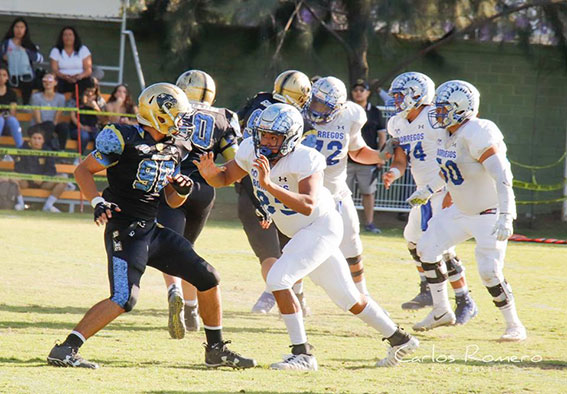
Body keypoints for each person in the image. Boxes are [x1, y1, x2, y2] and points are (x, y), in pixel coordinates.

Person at [46, 82, 256, 369]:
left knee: (208, 278)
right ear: (158, 115)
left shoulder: (178, 146)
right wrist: (97, 201)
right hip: (125, 229)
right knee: (124, 298)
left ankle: (215, 349)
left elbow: (171, 201)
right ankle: (66, 349)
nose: (183, 123)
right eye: (178, 115)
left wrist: (181, 189)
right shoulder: (123, 136)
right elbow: (83, 169)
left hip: (152, 228)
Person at [194, 103, 419, 370]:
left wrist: (268, 185)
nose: (266, 141)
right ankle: (400, 339)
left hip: (320, 226)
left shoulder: (305, 158)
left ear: (289, 138)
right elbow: (225, 176)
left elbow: (307, 204)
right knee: (348, 298)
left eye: (274, 137)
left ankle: (303, 354)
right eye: (263, 134)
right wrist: (210, 175)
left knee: (278, 278)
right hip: (302, 232)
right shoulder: (250, 149)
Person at [408, 80, 526, 341]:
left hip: (489, 213)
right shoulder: (445, 132)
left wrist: (506, 215)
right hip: (461, 211)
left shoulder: (478, 131)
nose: (437, 113)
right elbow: (450, 169)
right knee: (425, 248)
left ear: (461, 109)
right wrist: (428, 189)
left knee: (489, 272)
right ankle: (441, 311)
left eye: (443, 108)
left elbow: (502, 176)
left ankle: (514, 324)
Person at [382, 72, 477, 327]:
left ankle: (463, 299)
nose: (397, 101)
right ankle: (428, 287)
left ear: (416, 94)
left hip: (443, 189)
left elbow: (456, 145)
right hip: (422, 193)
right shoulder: (399, 123)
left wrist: (451, 191)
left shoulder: (435, 117)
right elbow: (402, 159)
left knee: (441, 247)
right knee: (412, 240)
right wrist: (393, 171)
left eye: (401, 95)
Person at [157, 70, 240, 337]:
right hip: (204, 189)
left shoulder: (174, 110)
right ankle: (192, 309)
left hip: (173, 183)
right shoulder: (224, 117)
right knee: (188, 250)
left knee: (169, 247)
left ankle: (175, 291)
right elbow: (234, 158)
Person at [303, 76, 394, 298]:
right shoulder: (299, 112)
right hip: (303, 193)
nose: (317, 108)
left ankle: (362, 294)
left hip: (335, 191)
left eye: (325, 105)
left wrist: (380, 155)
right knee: (299, 246)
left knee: (352, 240)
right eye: (315, 101)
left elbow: (355, 150)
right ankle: (291, 294)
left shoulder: (352, 115)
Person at [235, 70, 313, 315]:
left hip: (248, 179)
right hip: (279, 184)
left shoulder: (258, 101)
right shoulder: (292, 118)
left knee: (269, 253)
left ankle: (280, 297)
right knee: (290, 248)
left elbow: (236, 128)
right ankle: (285, 299)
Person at [346, 79, 386, 234]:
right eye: (355, 89)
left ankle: (369, 223)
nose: (358, 92)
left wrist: (380, 157)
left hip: (367, 159)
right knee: (342, 193)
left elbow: (382, 136)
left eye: (362, 90)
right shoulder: (347, 110)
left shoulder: (375, 112)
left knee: (368, 193)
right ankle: (342, 222)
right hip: (347, 159)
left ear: (368, 93)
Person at [13, 127, 66, 212]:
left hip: (43, 183)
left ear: (43, 140)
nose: (37, 141)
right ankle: (21, 204)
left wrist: (43, 178)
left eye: (39, 138)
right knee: (13, 178)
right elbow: (18, 168)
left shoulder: (47, 151)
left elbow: (52, 170)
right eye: (34, 138)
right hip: (25, 181)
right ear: (30, 139)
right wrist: (31, 177)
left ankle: (48, 206)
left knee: (63, 179)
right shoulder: (23, 149)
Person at [0, 17, 44, 104]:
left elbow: (40, 59)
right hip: (10, 75)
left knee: (29, 84)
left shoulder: (29, 44)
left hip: (25, 76)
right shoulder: (6, 44)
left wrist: (27, 52)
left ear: (25, 30)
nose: (19, 30)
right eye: (17, 27)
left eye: (22, 27)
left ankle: (25, 105)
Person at [29, 72, 69, 150]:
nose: (47, 82)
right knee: (49, 125)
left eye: (50, 79)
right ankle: (49, 149)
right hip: (38, 126)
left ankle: (61, 150)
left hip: (52, 125)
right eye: (44, 80)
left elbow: (57, 118)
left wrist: (52, 128)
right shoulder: (36, 97)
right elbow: (38, 120)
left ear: (55, 82)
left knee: (64, 126)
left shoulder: (61, 98)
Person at [49, 26, 92, 94]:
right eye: (65, 35)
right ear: (62, 37)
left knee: (87, 83)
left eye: (70, 35)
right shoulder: (56, 50)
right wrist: (65, 77)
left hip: (80, 78)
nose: (68, 37)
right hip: (62, 78)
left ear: (75, 37)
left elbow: (88, 70)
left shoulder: (83, 49)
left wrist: (79, 77)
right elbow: (55, 70)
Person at [69, 78, 103, 154]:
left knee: (99, 137)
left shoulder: (99, 100)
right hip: (78, 127)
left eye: (92, 91)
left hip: (93, 128)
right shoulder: (75, 99)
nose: (90, 94)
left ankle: (95, 158)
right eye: (87, 91)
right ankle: (79, 157)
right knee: (84, 136)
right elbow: (73, 116)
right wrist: (83, 127)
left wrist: (96, 108)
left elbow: (102, 118)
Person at [0, 66, 23, 148]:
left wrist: (4, 115)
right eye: (0, 75)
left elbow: (12, 113)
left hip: (7, 121)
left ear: (7, 78)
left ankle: (20, 149)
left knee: (12, 120)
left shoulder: (11, 93)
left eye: (4, 75)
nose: (1, 77)